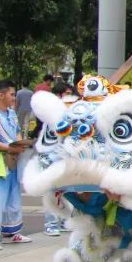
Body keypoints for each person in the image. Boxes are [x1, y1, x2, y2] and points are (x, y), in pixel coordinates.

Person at [0, 80, 29, 250]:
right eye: (12, 94)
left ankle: (11, 232)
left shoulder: (11, 114)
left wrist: (19, 144)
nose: (14, 97)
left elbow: (17, 133)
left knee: (13, 195)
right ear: (1, 95)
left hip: (12, 159)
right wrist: (10, 147)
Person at [43, 82, 78, 236]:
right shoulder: (51, 115)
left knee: (66, 190)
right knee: (51, 191)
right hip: (51, 156)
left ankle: (64, 220)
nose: (70, 97)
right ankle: (51, 223)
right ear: (58, 95)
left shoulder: (70, 114)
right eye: (67, 93)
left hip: (65, 157)